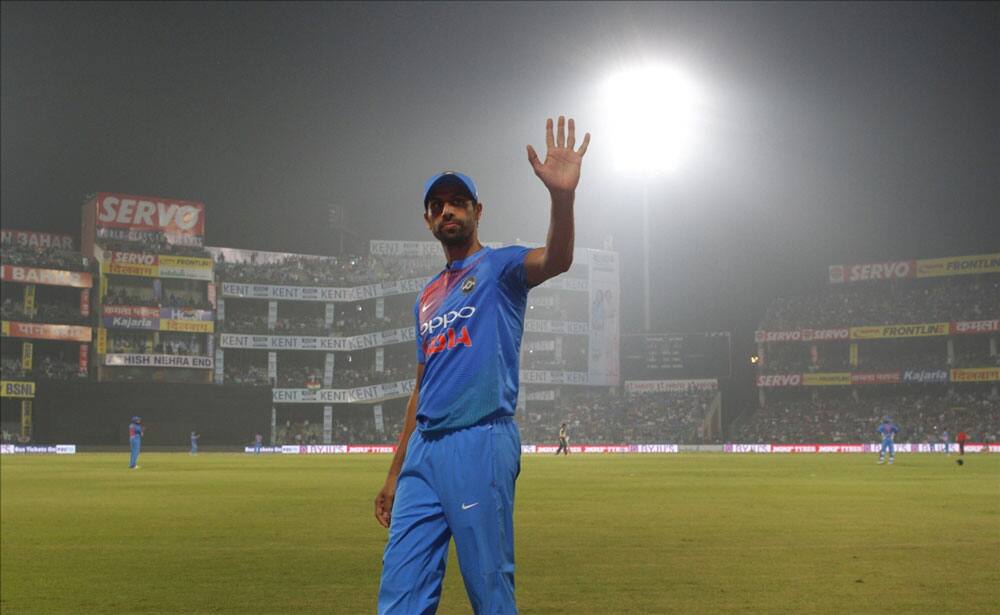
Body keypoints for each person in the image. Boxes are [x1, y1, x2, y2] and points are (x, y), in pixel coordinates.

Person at [375, 116, 589, 614]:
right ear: (428, 221)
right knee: (399, 597)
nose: (446, 211)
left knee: (490, 594)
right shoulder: (426, 297)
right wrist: (394, 472)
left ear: (477, 211)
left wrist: (562, 197)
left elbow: (556, 259)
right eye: (436, 206)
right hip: (423, 456)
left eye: (456, 203)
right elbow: (420, 388)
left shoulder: (500, 267)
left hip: (480, 440)